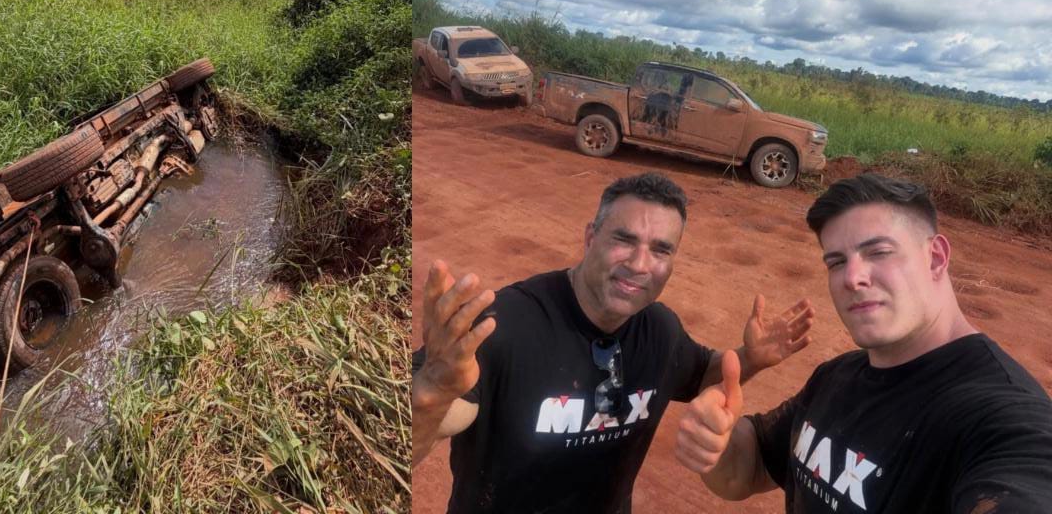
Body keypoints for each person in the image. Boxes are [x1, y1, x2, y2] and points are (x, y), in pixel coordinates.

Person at [412, 172, 815, 513]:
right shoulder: (504, 326)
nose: (640, 265)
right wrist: (431, 392)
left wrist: (752, 358)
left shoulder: (660, 330)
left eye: (660, 250)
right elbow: (410, 437)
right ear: (591, 237)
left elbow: (700, 373)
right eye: (624, 239)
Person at [675, 173, 1052, 512]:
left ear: (936, 257)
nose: (852, 277)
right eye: (836, 262)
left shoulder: (1003, 418)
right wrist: (717, 441)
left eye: (878, 252)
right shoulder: (837, 378)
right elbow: (751, 468)